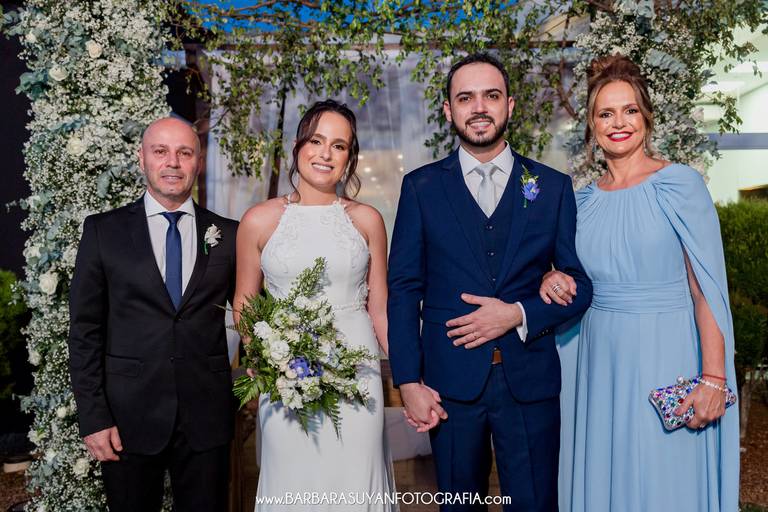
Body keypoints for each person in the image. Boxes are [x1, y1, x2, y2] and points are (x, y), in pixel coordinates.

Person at [388, 52, 592, 511]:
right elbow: (403, 290)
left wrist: (518, 313)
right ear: (449, 110)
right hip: (449, 385)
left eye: (491, 96)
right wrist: (409, 382)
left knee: (535, 504)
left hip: (530, 382)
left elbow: (579, 284)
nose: (479, 107)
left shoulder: (551, 186)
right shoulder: (420, 188)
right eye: (466, 98)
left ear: (509, 105)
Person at [543, 54, 739, 512]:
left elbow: (706, 289)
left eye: (629, 110)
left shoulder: (680, 185)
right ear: (591, 125)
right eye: (605, 113)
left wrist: (713, 379)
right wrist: (553, 277)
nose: (618, 123)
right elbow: (572, 276)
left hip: (666, 353)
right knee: (606, 473)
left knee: (662, 479)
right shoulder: (580, 203)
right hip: (598, 363)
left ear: (646, 118)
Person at [68, 117, 238, 511]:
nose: (172, 162)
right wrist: (94, 418)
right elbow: (84, 331)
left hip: (206, 418)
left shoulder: (229, 234)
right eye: (160, 151)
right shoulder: (103, 232)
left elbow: (252, 316)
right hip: (126, 418)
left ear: (198, 162)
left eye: (184, 153)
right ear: (141, 158)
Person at [234, 99, 395, 511]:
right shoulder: (258, 220)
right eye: (317, 141)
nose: (326, 153)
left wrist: (411, 377)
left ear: (349, 158)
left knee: (355, 485)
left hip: (358, 376)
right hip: (285, 377)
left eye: (339, 146)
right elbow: (245, 301)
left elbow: (380, 307)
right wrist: (264, 356)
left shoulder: (367, 220)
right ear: (298, 147)